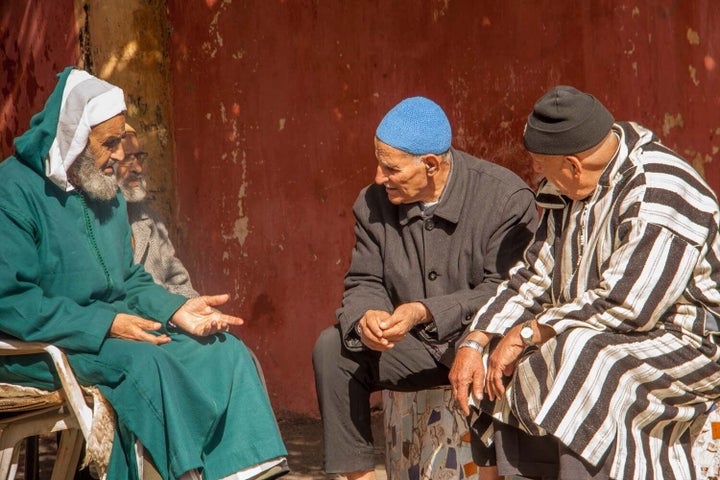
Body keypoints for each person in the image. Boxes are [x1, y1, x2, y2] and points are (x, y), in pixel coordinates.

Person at [0, 67, 288, 480]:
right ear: (74, 137)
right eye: (110, 143)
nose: (120, 155)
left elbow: (128, 279)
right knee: (147, 364)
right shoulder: (13, 191)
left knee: (223, 350)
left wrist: (178, 310)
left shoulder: (101, 187)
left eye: (121, 142)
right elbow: (10, 302)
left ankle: (243, 472)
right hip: (39, 347)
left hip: (108, 335)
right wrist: (106, 323)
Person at [450, 85, 720, 480]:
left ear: (574, 165)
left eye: (542, 166)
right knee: (501, 356)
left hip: (690, 343)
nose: (537, 175)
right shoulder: (567, 189)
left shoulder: (659, 190)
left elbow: (628, 303)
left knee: (579, 354)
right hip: (596, 328)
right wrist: (479, 339)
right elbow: (533, 276)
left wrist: (529, 332)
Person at [312, 96, 539, 480]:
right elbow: (364, 280)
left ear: (431, 165)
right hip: (413, 347)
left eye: (391, 168)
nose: (379, 177)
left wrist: (426, 311)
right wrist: (368, 316)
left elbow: (508, 289)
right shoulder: (373, 203)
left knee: (504, 355)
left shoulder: (504, 198)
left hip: (479, 343)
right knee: (333, 348)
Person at [117, 123, 198, 298]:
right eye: (126, 158)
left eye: (138, 157)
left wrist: (195, 310)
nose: (138, 168)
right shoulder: (90, 223)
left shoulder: (146, 218)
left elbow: (178, 281)